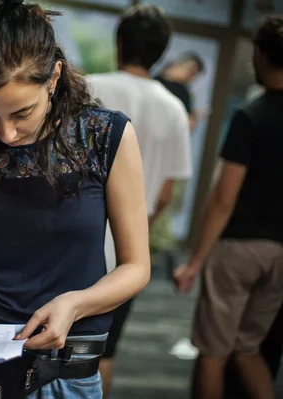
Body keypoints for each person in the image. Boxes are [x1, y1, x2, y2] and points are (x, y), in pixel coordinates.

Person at [0, 1, 151, 398]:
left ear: (53, 76)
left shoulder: (104, 137)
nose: (6, 134)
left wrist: (76, 304)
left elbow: (136, 267)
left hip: (64, 370)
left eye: (22, 113)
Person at [85, 5, 192, 397]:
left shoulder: (87, 87)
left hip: (69, 242)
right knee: (104, 352)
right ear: (161, 53)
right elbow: (165, 194)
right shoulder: (175, 109)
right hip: (129, 257)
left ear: (119, 43)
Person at [174, 15, 283, 399]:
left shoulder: (250, 116)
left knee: (213, 353)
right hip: (281, 254)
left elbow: (224, 198)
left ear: (260, 54)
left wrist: (195, 261)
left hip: (240, 248)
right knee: (248, 348)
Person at [155, 52, 205, 131]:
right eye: (191, 72)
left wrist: (193, 118)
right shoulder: (154, 81)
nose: (192, 78)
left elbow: (187, 125)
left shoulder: (184, 92)